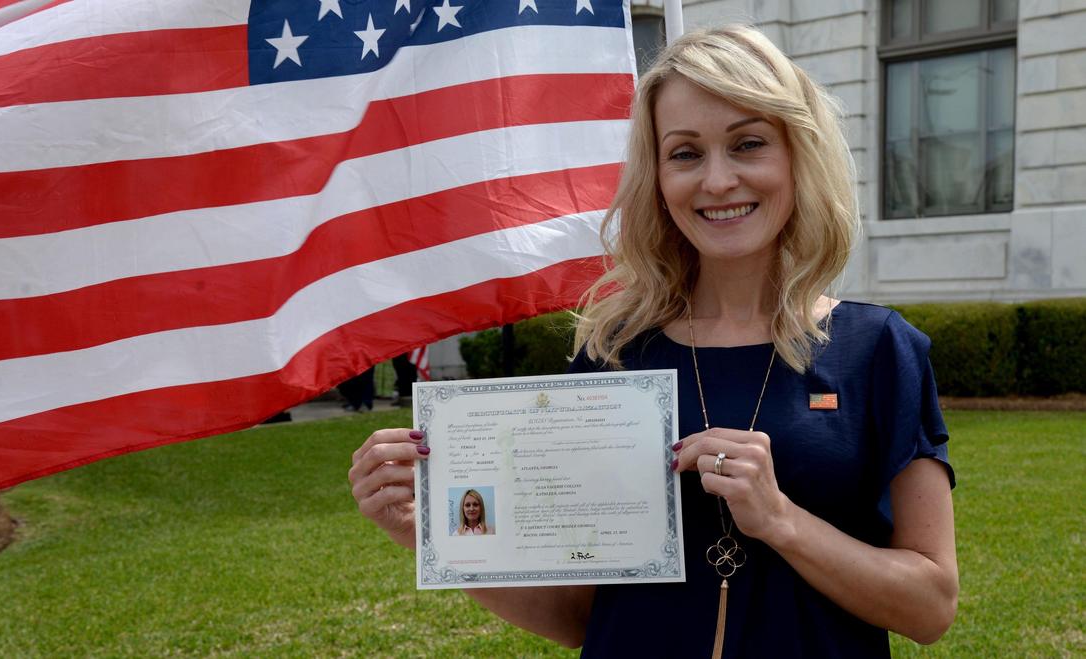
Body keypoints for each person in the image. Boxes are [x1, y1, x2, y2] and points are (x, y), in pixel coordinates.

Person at [349, 25, 957, 656]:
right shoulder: (613, 354)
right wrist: (429, 533)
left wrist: (782, 522)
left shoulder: (880, 350)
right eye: (686, 153)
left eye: (748, 144)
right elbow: (582, 617)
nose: (717, 181)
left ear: (797, 155)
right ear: (658, 177)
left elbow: (931, 608)